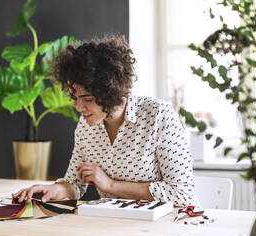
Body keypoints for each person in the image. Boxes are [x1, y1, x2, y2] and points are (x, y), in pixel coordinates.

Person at [14, 34, 199, 207]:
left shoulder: (159, 116)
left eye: (87, 99)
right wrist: (54, 189)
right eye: (74, 97)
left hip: (168, 226)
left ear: (111, 92)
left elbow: (182, 193)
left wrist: (111, 185)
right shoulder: (86, 126)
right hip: (114, 226)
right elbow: (74, 184)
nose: (78, 107)